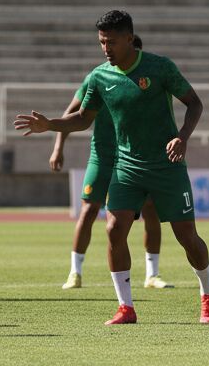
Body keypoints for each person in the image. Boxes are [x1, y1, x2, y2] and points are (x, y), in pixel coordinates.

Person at [15, 10, 209, 325]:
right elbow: (83, 118)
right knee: (113, 229)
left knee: (186, 236)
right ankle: (126, 307)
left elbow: (195, 103)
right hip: (126, 167)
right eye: (101, 42)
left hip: (167, 166)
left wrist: (182, 137)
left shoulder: (160, 67)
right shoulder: (99, 76)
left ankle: (208, 296)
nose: (105, 48)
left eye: (110, 41)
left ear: (128, 38)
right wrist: (51, 125)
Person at [50, 35, 170, 290]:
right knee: (89, 210)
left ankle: (152, 274)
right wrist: (58, 148)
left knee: (150, 209)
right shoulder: (100, 78)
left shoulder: (146, 81)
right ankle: (75, 272)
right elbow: (72, 114)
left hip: (136, 158)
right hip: (103, 156)